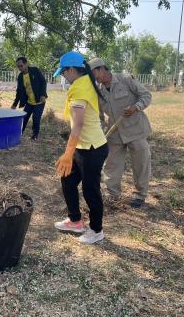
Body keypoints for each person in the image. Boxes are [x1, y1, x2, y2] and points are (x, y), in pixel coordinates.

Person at [53, 51, 109, 244]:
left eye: (64, 72)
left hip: (93, 148)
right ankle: (75, 220)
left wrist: (68, 152)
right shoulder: (84, 83)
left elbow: (78, 125)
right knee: (67, 179)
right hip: (83, 146)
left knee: (90, 189)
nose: (63, 76)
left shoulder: (80, 88)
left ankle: (96, 230)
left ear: (71, 69)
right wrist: (72, 152)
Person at [89, 58, 152, 209]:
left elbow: (146, 95)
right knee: (112, 164)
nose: (94, 78)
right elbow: (99, 116)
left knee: (141, 163)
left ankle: (140, 195)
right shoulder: (98, 91)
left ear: (102, 68)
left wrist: (136, 107)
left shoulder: (125, 80)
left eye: (94, 74)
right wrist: (99, 131)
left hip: (135, 128)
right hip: (115, 132)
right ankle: (113, 195)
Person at [11, 57, 47, 140]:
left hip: (39, 102)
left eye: (21, 66)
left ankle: (35, 135)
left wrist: (43, 94)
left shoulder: (35, 70)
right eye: (18, 67)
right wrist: (14, 104)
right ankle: (19, 133)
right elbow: (19, 92)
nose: (20, 68)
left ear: (26, 64)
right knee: (24, 117)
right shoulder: (20, 77)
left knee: (36, 118)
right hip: (29, 102)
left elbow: (43, 82)